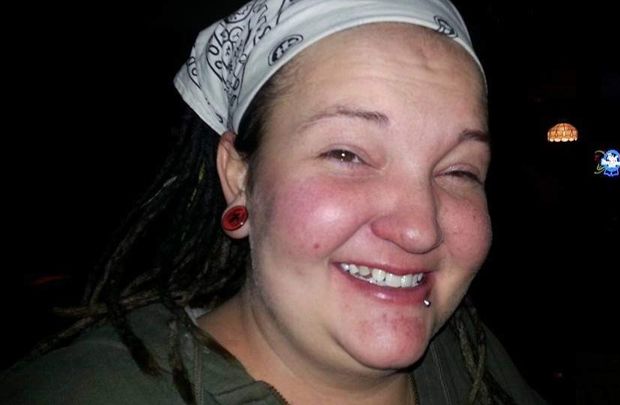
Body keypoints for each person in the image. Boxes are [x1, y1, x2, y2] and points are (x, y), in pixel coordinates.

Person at [2, 0, 547, 404]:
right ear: (239, 177)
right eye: (346, 154)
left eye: (458, 171)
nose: (419, 229)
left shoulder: (473, 358)